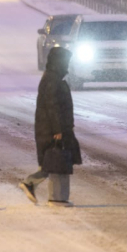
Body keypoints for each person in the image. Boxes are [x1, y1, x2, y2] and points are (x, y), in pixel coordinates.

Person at [18, 47, 81, 207]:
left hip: (51, 128)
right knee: (57, 161)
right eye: (66, 61)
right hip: (52, 129)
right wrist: (57, 129)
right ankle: (56, 198)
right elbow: (52, 106)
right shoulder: (52, 80)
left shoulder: (52, 78)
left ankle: (51, 194)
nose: (67, 65)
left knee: (56, 160)